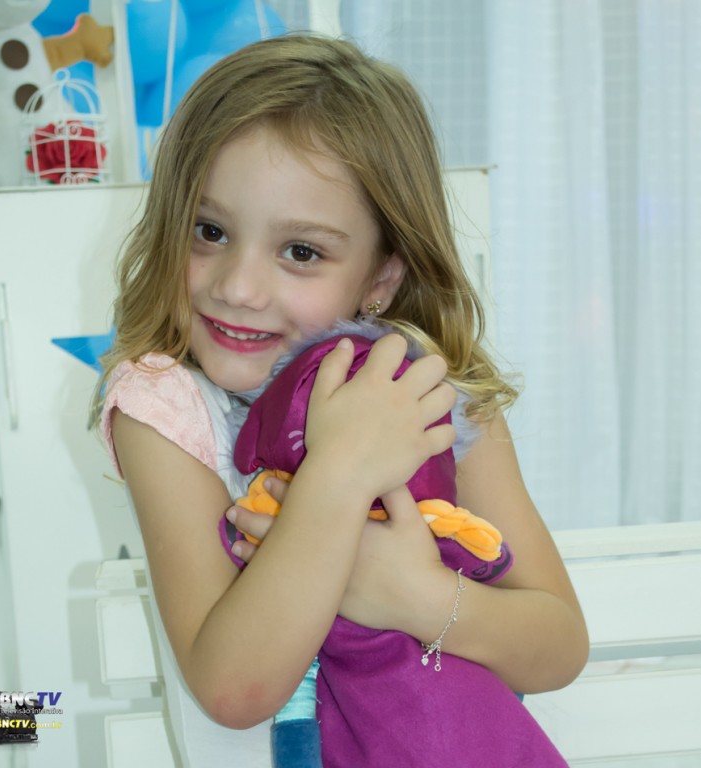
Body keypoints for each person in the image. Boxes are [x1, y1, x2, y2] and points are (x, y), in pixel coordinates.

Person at [96, 34, 588, 767]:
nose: (238, 287)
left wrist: (416, 597)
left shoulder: (435, 395)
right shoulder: (164, 406)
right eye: (210, 231)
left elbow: (559, 647)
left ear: (381, 278)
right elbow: (233, 689)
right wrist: (339, 473)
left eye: (301, 252)